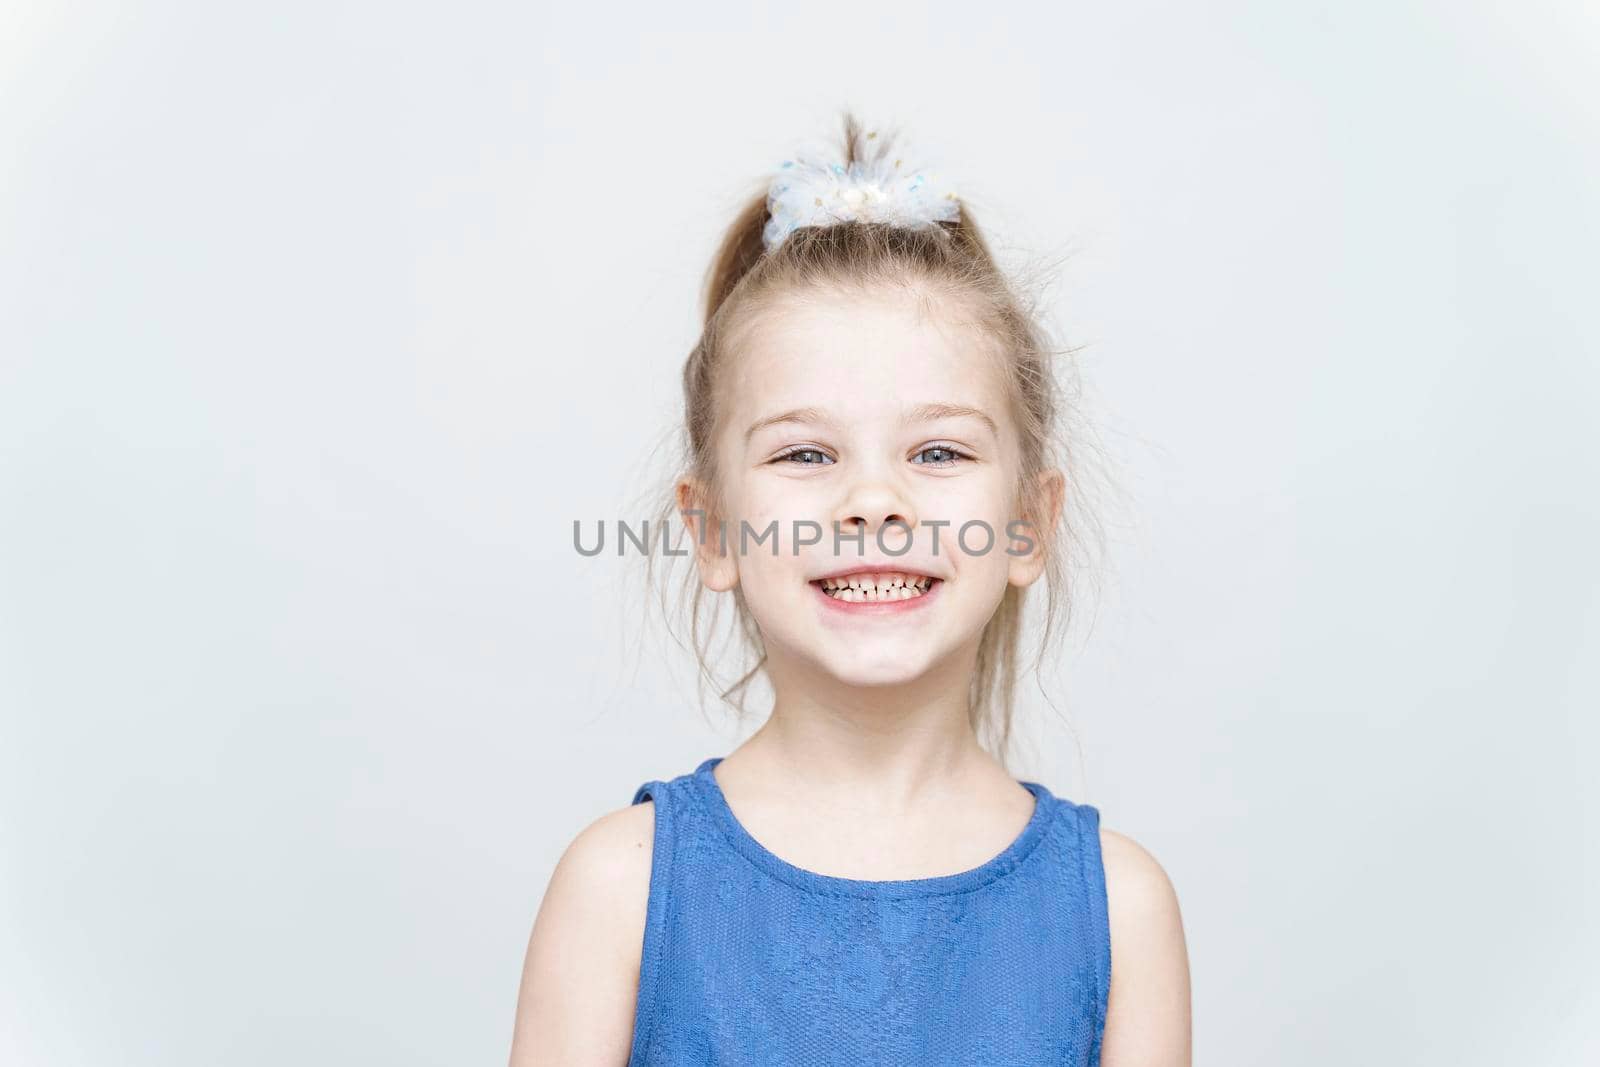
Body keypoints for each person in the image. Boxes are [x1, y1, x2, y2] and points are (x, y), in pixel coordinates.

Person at [510, 113, 1191, 1066]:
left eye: (939, 450)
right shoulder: (618, 887)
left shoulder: (1122, 911)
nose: (874, 500)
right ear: (712, 531)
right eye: (805, 452)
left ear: (1027, 524)